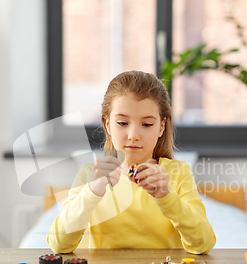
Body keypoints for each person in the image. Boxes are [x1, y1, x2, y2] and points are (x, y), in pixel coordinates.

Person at [48, 70, 216, 254]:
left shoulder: (178, 173)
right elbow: (59, 245)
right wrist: (92, 192)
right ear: (107, 125)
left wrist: (167, 197)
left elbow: (203, 244)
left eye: (146, 124)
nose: (134, 135)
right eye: (122, 123)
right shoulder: (90, 174)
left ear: (161, 127)